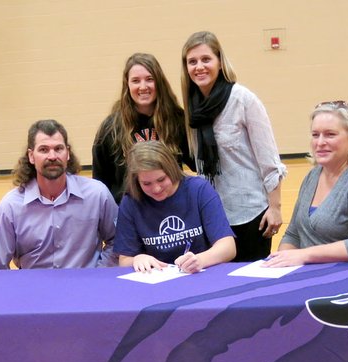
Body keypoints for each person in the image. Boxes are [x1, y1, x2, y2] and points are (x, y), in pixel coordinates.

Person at [181, 31, 286, 262]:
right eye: (192, 62)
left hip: (250, 215)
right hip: (213, 217)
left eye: (206, 59)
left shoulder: (243, 100)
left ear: (219, 61)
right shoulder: (193, 108)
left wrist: (275, 207)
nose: (199, 67)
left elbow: (269, 159)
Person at [262, 101, 348, 268]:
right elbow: (294, 234)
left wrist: (304, 255)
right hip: (314, 275)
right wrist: (280, 263)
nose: (320, 142)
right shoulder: (313, 176)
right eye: (315, 135)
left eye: (330, 134)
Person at [0, 119, 118, 270]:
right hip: (34, 289)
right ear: (31, 156)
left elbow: (118, 241)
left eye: (58, 148)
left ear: (68, 153)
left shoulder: (97, 195)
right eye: (44, 150)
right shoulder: (11, 206)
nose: (52, 156)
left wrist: (99, 273)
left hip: (85, 288)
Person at [114, 141, 236, 273]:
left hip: (199, 274)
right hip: (157, 278)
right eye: (146, 183)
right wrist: (137, 259)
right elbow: (124, 260)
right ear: (136, 181)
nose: (156, 189)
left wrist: (200, 260)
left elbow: (228, 247)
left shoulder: (199, 190)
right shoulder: (131, 202)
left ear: (172, 170)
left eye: (161, 180)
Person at [92, 53, 193, 204]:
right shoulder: (110, 128)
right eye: (136, 81)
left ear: (159, 82)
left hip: (171, 206)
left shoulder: (176, 119)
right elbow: (101, 183)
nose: (143, 86)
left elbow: (196, 163)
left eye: (149, 79)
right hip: (130, 212)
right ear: (127, 85)